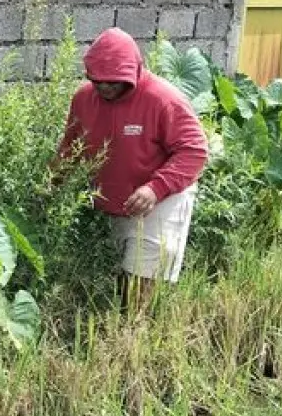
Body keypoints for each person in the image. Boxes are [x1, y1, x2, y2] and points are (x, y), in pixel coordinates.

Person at [56, 28, 209, 308]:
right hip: (115, 201)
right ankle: (124, 333)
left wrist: (156, 188)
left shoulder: (163, 99)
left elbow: (195, 151)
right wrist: (50, 187)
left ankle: (132, 340)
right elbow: (69, 149)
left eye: (113, 81)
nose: (104, 87)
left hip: (160, 200)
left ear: (133, 73)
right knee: (121, 281)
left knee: (138, 285)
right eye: (97, 80)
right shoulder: (83, 99)